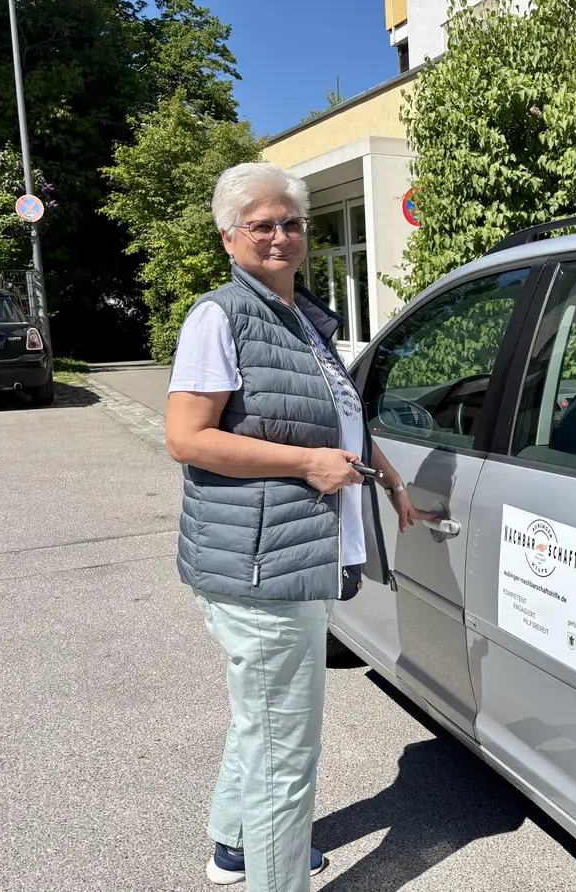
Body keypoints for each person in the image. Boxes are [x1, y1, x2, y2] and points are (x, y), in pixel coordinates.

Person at [163, 162, 428, 890]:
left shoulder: (299, 318)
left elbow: (336, 420)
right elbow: (187, 437)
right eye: (262, 225)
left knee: (263, 724)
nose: (280, 236)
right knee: (286, 752)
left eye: (291, 223)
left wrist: (390, 478)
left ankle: (233, 848)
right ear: (229, 237)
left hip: (285, 555)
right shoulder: (222, 316)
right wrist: (307, 464)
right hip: (262, 566)